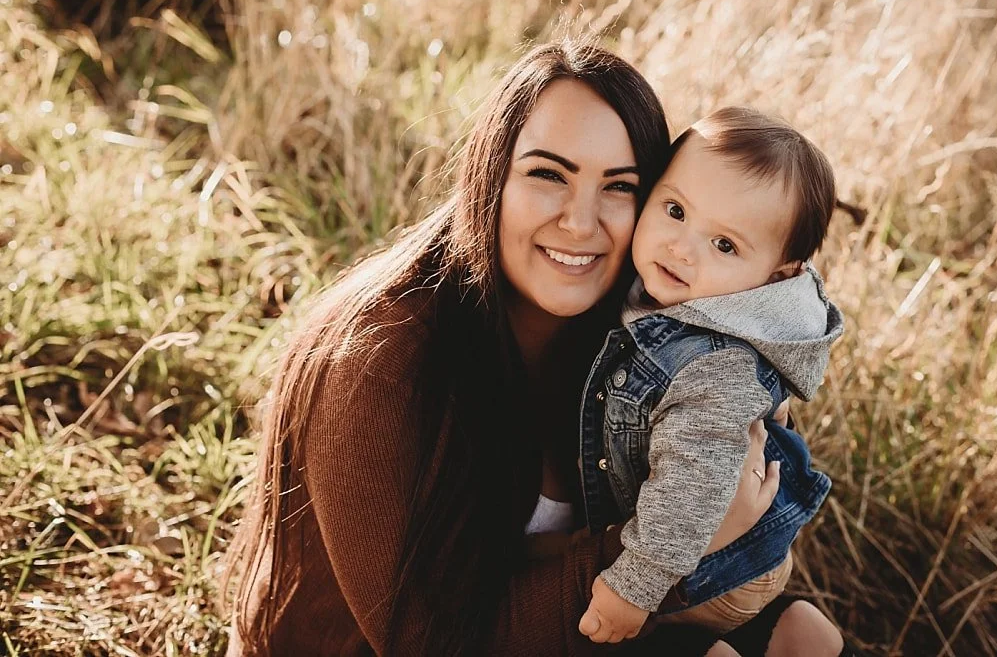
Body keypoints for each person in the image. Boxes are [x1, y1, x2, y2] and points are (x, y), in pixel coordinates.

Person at [224, 39, 846, 656]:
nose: (580, 222)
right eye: (548, 175)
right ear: (491, 175)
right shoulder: (377, 362)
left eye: (619, 186)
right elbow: (422, 642)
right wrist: (676, 550)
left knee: (801, 637)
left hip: (586, 622)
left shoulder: (640, 324)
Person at [573, 107, 844, 647]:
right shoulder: (673, 295)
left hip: (718, 566)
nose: (681, 247)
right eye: (675, 210)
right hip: (717, 551)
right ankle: (791, 634)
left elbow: (692, 486)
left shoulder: (714, 363)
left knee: (641, 643)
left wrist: (634, 588)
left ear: (775, 277)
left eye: (724, 245)